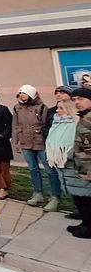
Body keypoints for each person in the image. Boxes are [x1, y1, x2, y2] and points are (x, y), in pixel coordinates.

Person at [13, 84, 61, 212]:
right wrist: (16, 142)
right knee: (33, 169)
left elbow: (46, 125)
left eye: (24, 93)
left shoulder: (42, 107)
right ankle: (38, 193)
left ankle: (55, 196)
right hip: (25, 142)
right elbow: (15, 125)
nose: (21, 96)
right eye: (20, 94)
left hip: (41, 142)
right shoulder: (17, 108)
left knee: (50, 170)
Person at [60, 88, 91, 238]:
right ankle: (86, 224)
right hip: (82, 166)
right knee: (83, 199)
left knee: (87, 199)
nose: (77, 102)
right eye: (75, 99)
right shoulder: (83, 117)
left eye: (81, 99)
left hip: (88, 167)